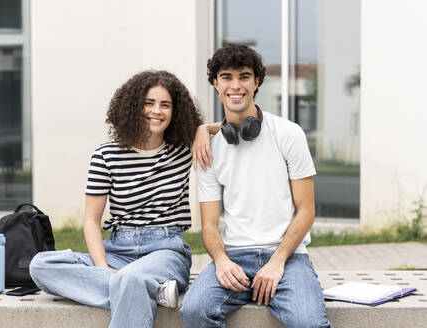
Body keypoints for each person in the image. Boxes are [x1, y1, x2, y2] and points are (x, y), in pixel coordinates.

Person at [29, 70, 202, 328]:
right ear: (133, 107)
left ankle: (135, 284)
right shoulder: (106, 155)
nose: (157, 111)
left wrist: (203, 130)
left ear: (175, 112)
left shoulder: (184, 151)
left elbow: (233, 128)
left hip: (166, 250)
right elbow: (91, 220)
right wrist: (101, 267)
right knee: (40, 265)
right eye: (148, 103)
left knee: (131, 278)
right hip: (118, 251)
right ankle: (152, 291)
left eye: (165, 105)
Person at [180, 44, 332, 328]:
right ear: (215, 83)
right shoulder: (208, 148)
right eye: (226, 77)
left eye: (244, 76)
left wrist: (277, 262)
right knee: (195, 310)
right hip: (234, 255)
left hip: (288, 257)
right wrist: (222, 261)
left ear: (257, 82)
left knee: (309, 323)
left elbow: (306, 210)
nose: (235, 86)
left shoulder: (289, 134)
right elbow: (210, 226)